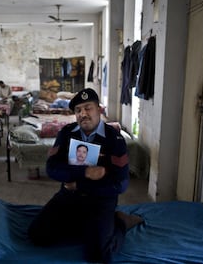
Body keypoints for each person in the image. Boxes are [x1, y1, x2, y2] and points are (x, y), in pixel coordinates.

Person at [27, 88, 143, 263]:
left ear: (99, 110)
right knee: (37, 236)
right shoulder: (66, 133)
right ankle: (85, 224)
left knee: (99, 255)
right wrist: (85, 172)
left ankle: (120, 222)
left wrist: (81, 185)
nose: (83, 114)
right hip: (68, 197)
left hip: (101, 200)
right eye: (78, 110)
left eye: (88, 108)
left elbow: (121, 184)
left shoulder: (115, 139)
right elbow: (51, 168)